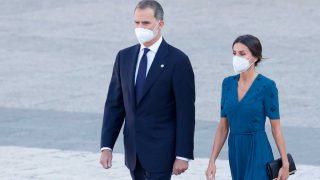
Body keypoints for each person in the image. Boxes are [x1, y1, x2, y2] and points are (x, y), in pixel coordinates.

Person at [99, 0, 195, 179]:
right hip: (134, 153)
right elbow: (114, 105)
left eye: (146, 23)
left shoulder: (177, 60)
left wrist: (183, 155)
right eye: (136, 22)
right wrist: (107, 147)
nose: (140, 27)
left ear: (161, 24)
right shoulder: (124, 57)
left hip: (161, 152)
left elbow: (185, 111)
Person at [205, 34, 290, 180]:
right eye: (234, 53)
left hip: (258, 149)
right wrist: (212, 161)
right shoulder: (227, 84)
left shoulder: (267, 86)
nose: (236, 57)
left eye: (242, 53)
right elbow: (223, 127)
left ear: (255, 57)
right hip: (236, 151)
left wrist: (285, 163)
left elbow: (276, 128)